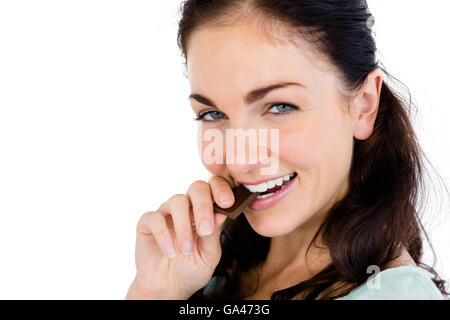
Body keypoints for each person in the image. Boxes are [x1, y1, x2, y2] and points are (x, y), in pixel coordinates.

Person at [125, 0, 448, 300]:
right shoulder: (206, 272)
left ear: (364, 106)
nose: (239, 160)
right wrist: (155, 291)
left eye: (280, 107)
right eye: (213, 114)